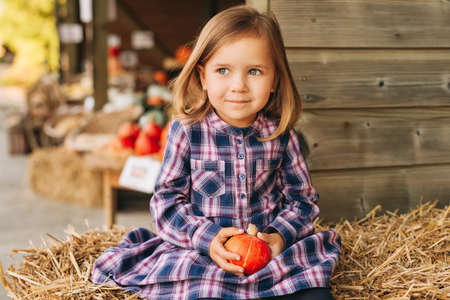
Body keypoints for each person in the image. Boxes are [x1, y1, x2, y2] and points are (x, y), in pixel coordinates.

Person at [92, 5, 340, 300]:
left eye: (255, 71)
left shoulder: (281, 136)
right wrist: (207, 239)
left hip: (269, 258)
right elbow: (167, 203)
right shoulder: (186, 132)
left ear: (274, 79)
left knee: (317, 294)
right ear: (203, 76)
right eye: (223, 70)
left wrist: (278, 236)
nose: (238, 86)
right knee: (203, 292)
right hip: (204, 255)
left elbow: (302, 200)